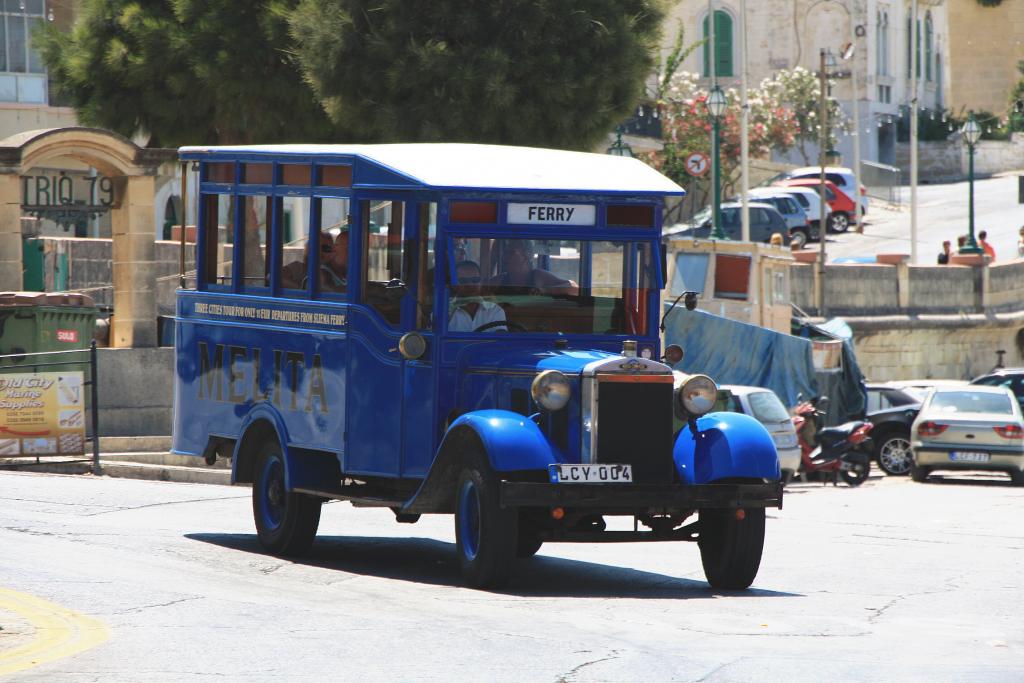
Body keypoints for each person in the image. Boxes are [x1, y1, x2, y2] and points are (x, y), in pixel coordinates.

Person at [488, 242, 578, 295]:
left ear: (527, 255)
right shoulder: (498, 281)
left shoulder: (538, 276)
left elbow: (574, 287)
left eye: (511, 253)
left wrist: (545, 290)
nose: (505, 257)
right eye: (505, 252)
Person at [448, 260, 507, 332]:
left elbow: (500, 341)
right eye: (463, 281)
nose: (470, 285)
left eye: (475, 280)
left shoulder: (494, 310)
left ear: (481, 282)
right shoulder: (445, 312)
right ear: (454, 285)